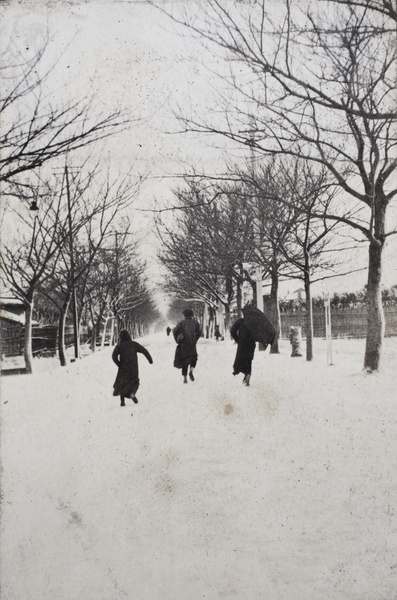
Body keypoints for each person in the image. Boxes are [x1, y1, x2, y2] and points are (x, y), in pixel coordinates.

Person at [112, 329, 153, 407]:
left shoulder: (119, 346)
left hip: (123, 368)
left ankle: (122, 402)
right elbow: (144, 351)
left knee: (122, 383)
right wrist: (150, 360)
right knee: (135, 381)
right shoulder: (134, 344)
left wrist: (119, 364)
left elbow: (113, 356)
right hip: (133, 367)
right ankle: (132, 393)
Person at [173, 308, 202, 383]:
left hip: (184, 344)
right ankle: (191, 371)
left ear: (185, 315)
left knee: (184, 360)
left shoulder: (181, 323)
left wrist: (177, 340)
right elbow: (199, 332)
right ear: (192, 315)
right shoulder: (195, 322)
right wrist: (195, 339)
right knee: (194, 358)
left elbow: (175, 331)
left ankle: (185, 378)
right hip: (192, 344)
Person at [230, 317, 256, 386]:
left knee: (240, 360)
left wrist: (237, 339)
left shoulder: (241, 321)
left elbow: (232, 330)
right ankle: (248, 374)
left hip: (242, 344)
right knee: (249, 360)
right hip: (251, 344)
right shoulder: (255, 322)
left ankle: (243, 373)